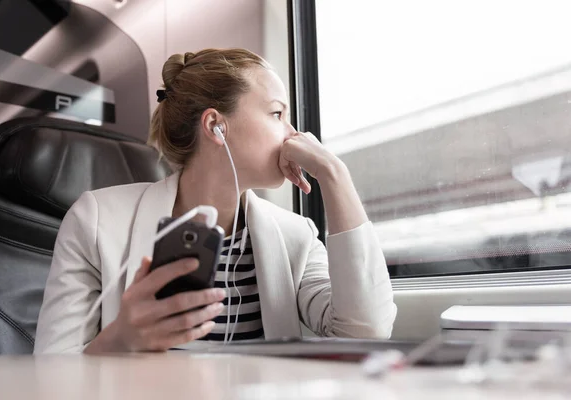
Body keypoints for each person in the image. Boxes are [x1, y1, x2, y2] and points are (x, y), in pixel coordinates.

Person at [34, 48, 397, 354]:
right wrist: (120, 340)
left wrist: (335, 176)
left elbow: (364, 334)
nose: (296, 134)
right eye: (277, 114)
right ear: (215, 126)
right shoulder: (96, 221)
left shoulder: (295, 235)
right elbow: (46, 379)